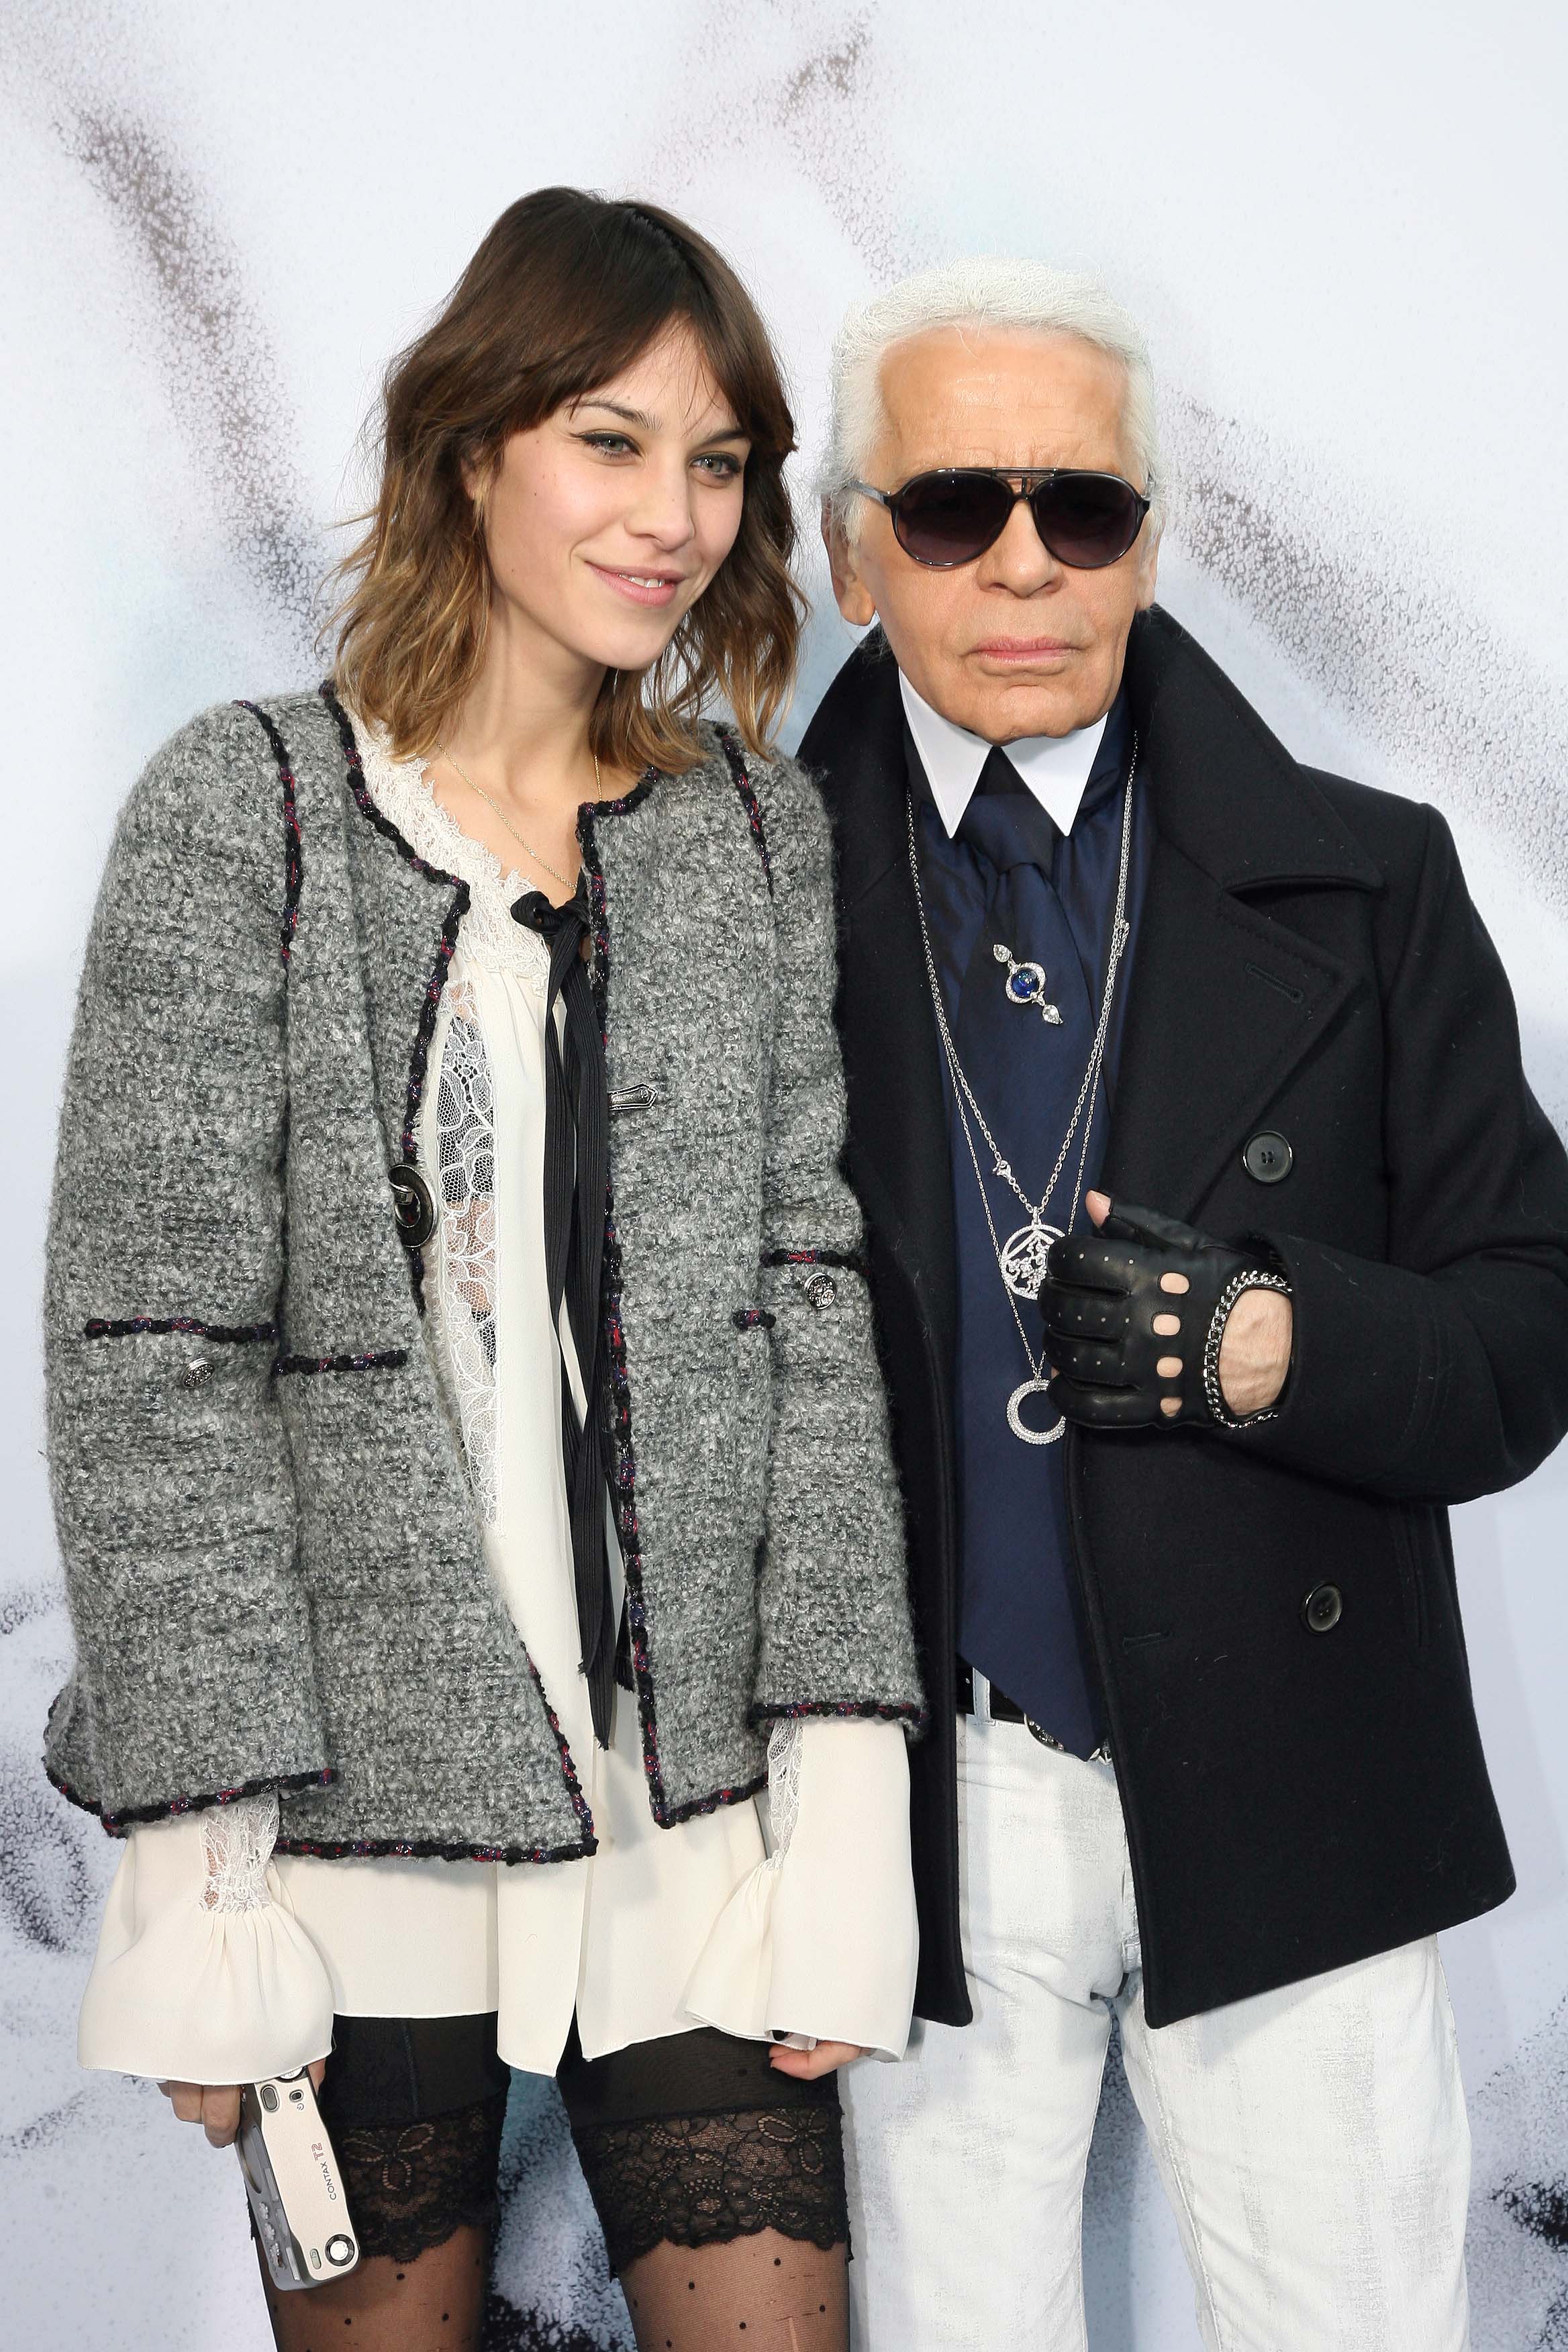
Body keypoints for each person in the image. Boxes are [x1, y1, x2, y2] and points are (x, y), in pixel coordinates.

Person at [44, 189, 924, 2352]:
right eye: (612, 443)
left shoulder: (741, 828)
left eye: (719, 463)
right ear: (474, 450)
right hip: (344, 1829)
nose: (675, 519)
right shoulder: (246, 808)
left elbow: (806, 1306)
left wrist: (844, 1819)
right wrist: (200, 1883)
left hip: (690, 1819)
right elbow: (153, 1356)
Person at [799, 256, 1568, 2351]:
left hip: (1295, 1768)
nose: (1024, 561)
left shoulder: (1375, 875)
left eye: (1088, 508)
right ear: (857, 554)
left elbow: (1529, 1333)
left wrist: (1277, 1341)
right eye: (956, 508)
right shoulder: (732, 902)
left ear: (1152, 540)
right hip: (910, 1807)